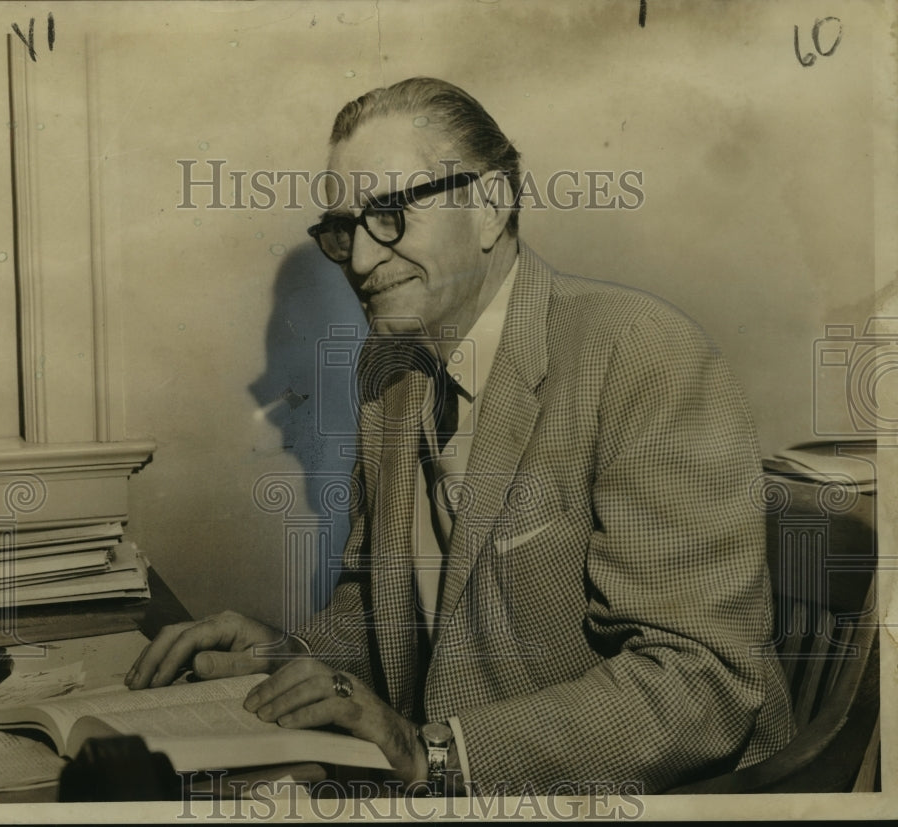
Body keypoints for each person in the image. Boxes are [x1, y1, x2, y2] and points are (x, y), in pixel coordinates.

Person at [127, 77, 795, 795]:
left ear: (490, 206)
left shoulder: (643, 353)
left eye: (387, 214)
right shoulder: (390, 373)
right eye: (343, 229)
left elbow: (703, 681)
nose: (357, 261)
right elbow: (389, 612)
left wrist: (436, 753)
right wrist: (288, 655)